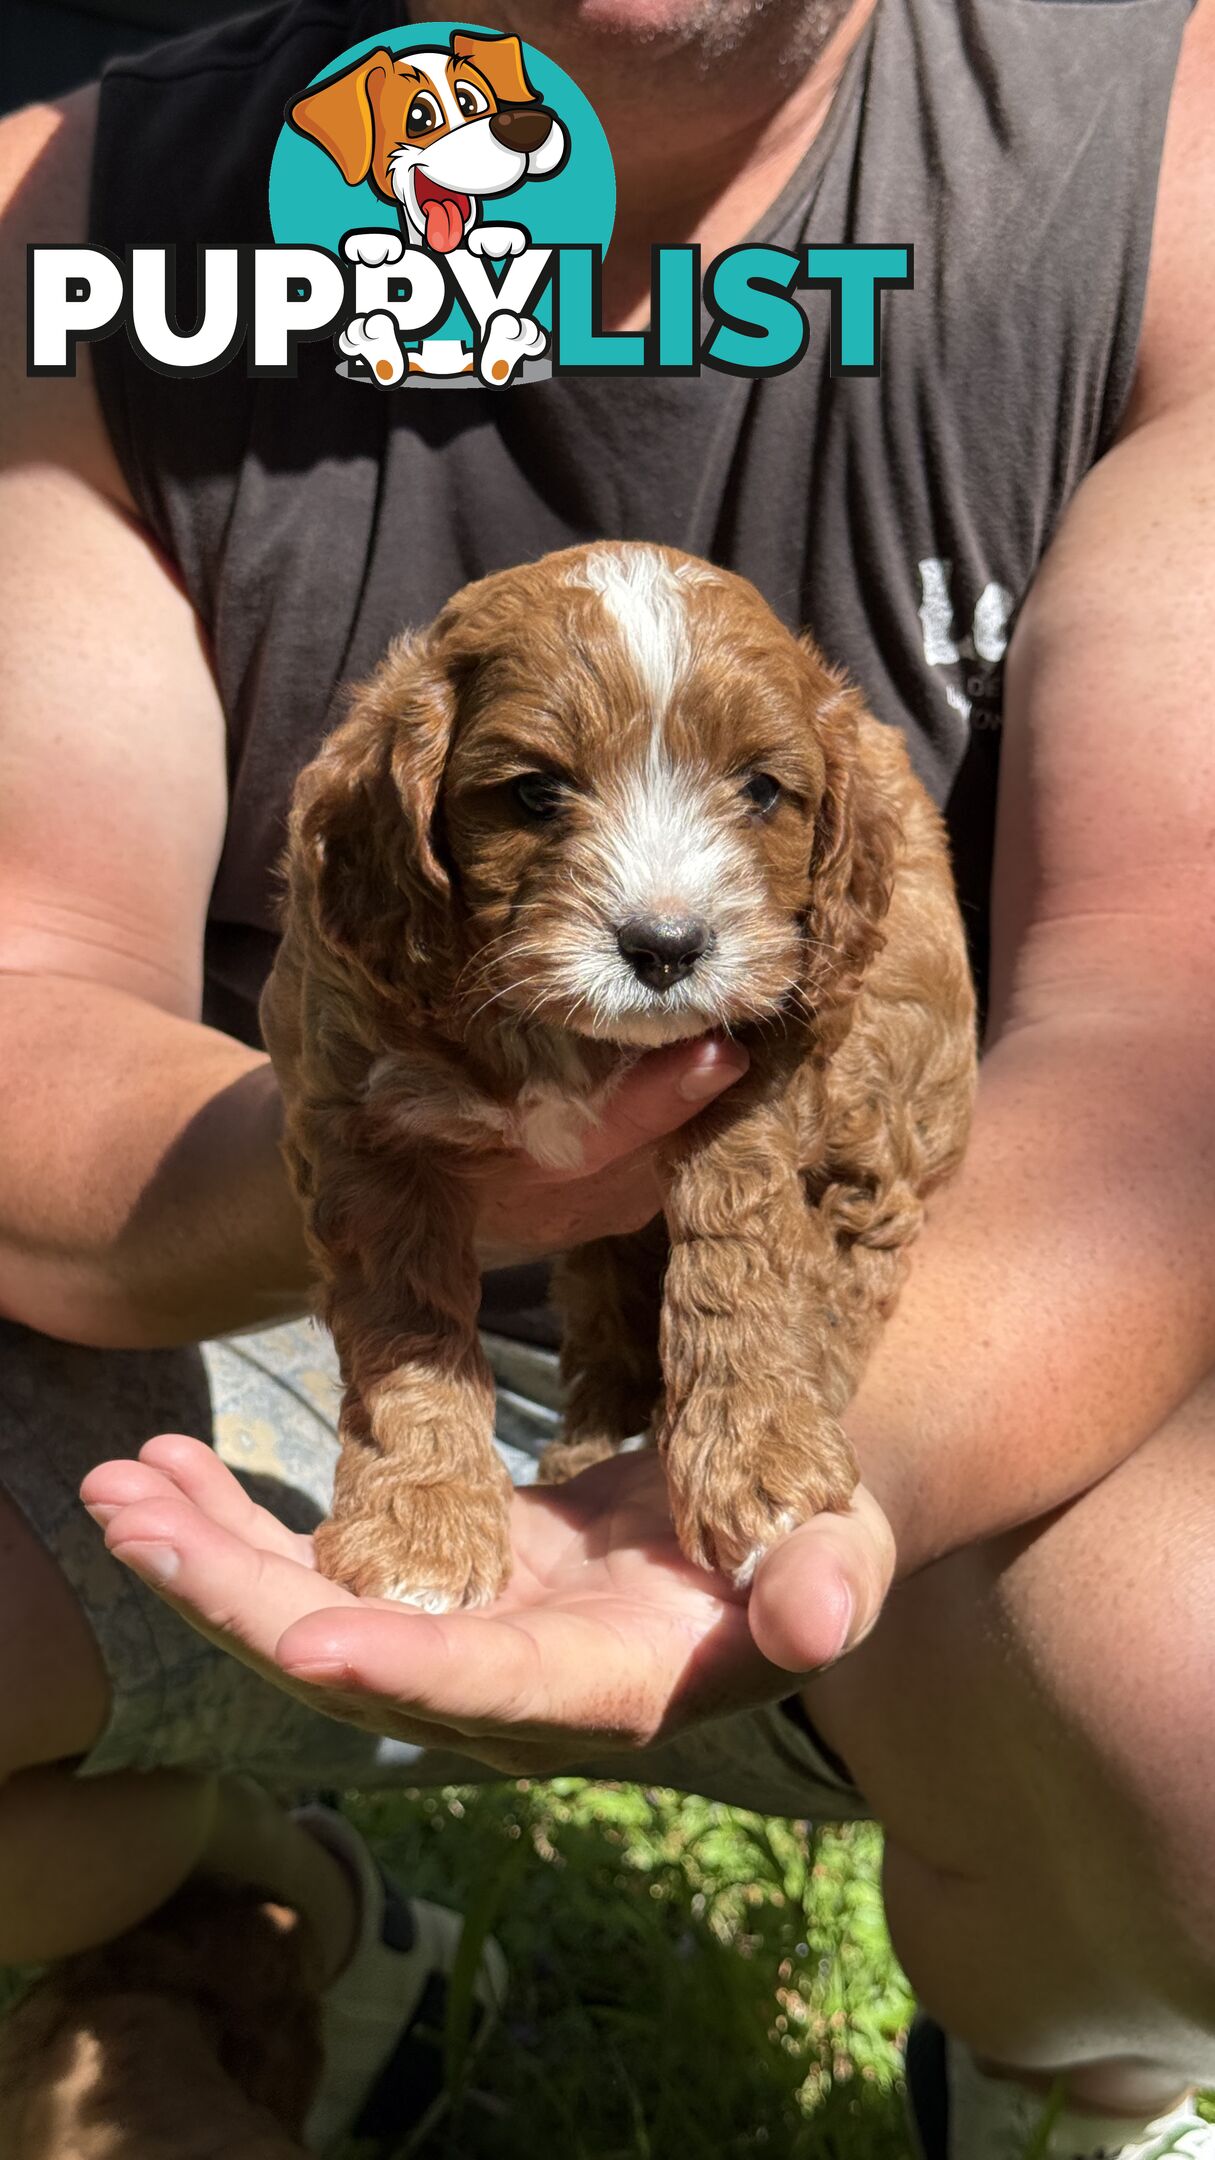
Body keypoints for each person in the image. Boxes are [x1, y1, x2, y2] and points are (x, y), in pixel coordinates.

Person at [1, 0, 1214, 2153]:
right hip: (257, 1301)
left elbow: (1154, 1041)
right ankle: (233, 1915)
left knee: (1188, 1716)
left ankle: (1072, 2058)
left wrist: (800, 1447)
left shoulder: (1158, 157)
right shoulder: (65, 233)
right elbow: (25, 1007)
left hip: (947, 1325)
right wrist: (397, 1160)